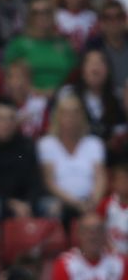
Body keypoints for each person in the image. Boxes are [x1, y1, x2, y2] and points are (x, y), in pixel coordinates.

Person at [38, 94, 108, 226]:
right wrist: (76, 203)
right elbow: (49, 182)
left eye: (75, 113)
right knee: (53, 208)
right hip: (61, 201)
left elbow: (100, 178)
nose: (71, 118)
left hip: (89, 201)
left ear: (82, 116)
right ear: (58, 116)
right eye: (66, 113)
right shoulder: (47, 144)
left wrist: (93, 201)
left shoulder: (94, 143)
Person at [4, 0, 77, 96]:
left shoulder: (64, 44)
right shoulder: (18, 45)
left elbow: (74, 75)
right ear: (29, 16)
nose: (42, 16)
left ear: (52, 16)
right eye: (36, 13)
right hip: (29, 98)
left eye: (46, 12)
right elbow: (10, 80)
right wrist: (38, 93)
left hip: (63, 98)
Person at [50, 213, 128, 280]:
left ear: (105, 235)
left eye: (98, 231)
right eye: (87, 231)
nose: (93, 236)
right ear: (79, 234)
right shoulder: (64, 263)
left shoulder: (120, 262)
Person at [98, 162, 128, 255]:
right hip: (109, 254)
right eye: (121, 180)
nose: (124, 183)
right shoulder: (106, 203)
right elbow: (98, 229)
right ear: (114, 183)